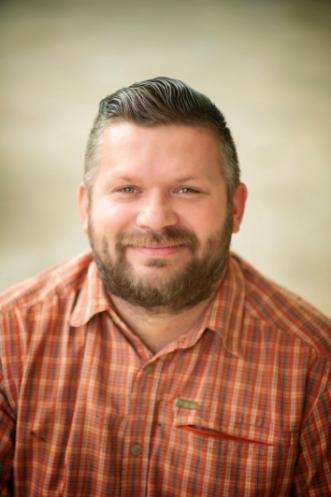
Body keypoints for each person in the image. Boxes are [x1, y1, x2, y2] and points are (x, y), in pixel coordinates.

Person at [0, 77, 330, 497]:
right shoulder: (8, 340)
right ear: (85, 208)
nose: (155, 219)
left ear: (236, 208)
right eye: (127, 189)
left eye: (187, 189)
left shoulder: (314, 368)